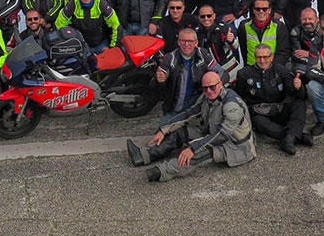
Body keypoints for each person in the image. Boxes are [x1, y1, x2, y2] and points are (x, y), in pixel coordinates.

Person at [125, 71, 255, 182]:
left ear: (220, 84)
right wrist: (164, 130)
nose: (209, 91)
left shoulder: (231, 106)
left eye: (212, 87)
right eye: (205, 88)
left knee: (199, 153)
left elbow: (222, 135)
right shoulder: (206, 97)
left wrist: (193, 148)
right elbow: (189, 114)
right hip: (211, 131)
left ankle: (161, 172)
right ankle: (144, 155)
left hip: (235, 146)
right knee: (179, 133)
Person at [236, 44, 311, 155]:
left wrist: (298, 87)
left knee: (299, 104)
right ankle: (294, 136)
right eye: (259, 57)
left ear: (271, 57)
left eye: (265, 57)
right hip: (260, 113)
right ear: (255, 58)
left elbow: (294, 94)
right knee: (257, 121)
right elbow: (239, 96)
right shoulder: (244, 74)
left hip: (279, 109)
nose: (262, 60)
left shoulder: (281, 70)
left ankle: (290, 137)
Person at [155, 28, 227, 124]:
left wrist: (212, 87)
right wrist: (159, 80)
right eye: (183, 41)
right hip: (177, 105)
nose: (186, 44)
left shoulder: (203, 54)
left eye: (190, 41)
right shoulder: (169, 59)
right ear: (178, 42)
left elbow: (222, 73)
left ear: (196, 43)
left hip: (200, 100)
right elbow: (154, 86)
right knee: (163, 128)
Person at [55, 0, 121, 54]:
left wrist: (112, 47)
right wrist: (68, 45)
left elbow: (116, 26)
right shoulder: (72, 5)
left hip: (101, 44)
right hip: (80, 46)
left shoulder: (102, 5)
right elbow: (59, 25)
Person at [238, 0, 291, 66]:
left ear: (270, 10)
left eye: (265, 9)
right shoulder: (244, 26)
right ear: (253, 10)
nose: (261, 11)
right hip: (251, 68)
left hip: (273, 69)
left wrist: (269, 68)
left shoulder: (279, 27)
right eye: (257, 9)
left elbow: (283, 53)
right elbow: (243, 50)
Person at [195, 4, 243, 80]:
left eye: (209, 16)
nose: (206, 18)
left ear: (214, 16)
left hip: (230, 72)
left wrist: (231, 40)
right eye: (202, 16)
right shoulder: (196, 33)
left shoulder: (222, 29)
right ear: (198, 17)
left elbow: (235, 47)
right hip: (209, 74)